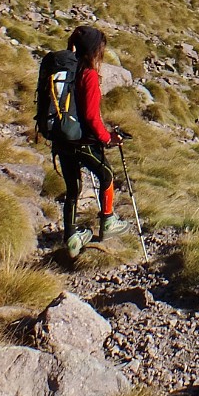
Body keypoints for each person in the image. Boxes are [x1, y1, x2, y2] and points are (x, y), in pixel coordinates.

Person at [57, 24, 128, 254]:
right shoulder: (88, 76)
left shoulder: (67, 71)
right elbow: (90, 115)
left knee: (73, 188)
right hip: (82, 141)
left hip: (62, 138)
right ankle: (108, 220)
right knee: (106, 173)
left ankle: (71, 236)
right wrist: (107, 138)